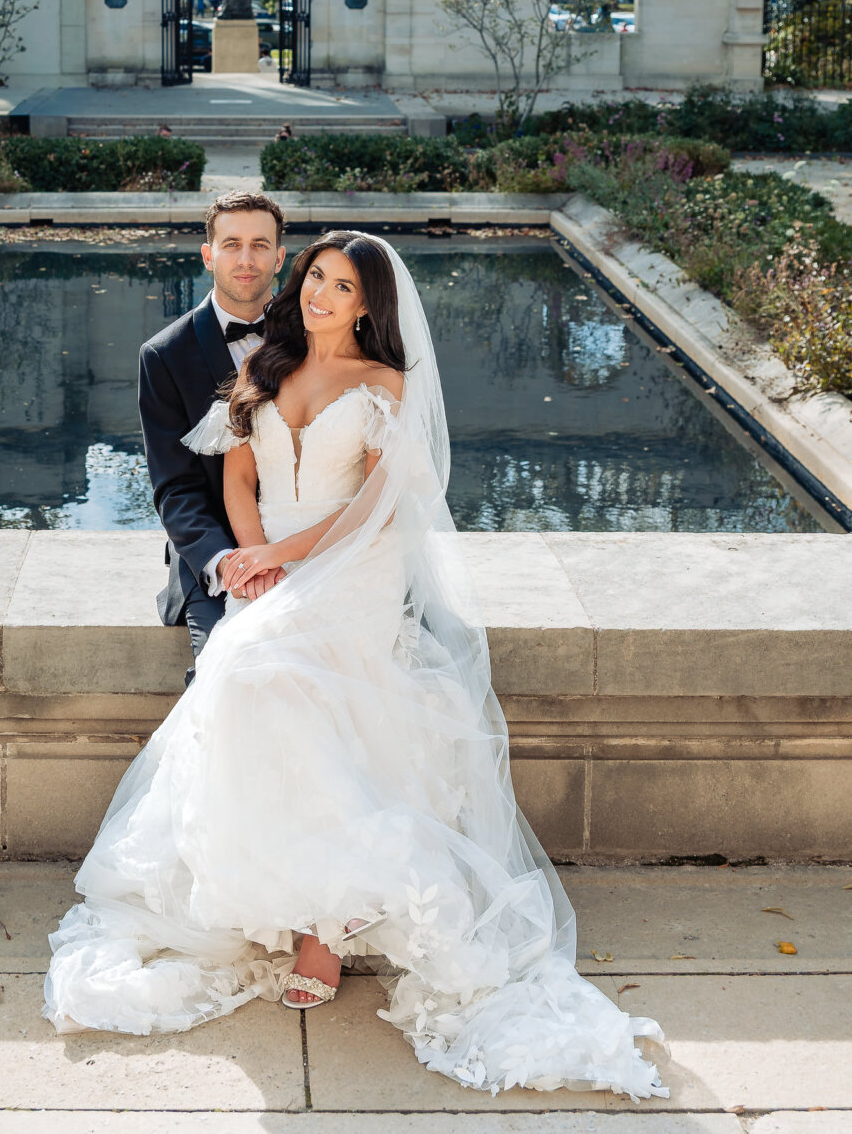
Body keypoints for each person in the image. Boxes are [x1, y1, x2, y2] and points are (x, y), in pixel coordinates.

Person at [44, 231, 667, 1099]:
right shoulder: (262, 366)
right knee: (247, 678)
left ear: (370, 304)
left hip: (350, 569)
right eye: (313, 279)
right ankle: (317, 903)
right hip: (277, 567)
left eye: (339, 286)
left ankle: (328, 925)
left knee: (258, 678)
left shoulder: (385, 388)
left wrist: (285, 562)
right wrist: (249, 561)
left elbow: (375, 512)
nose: (317, 294)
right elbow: (234, 482)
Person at [137, 192, 288, 684]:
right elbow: (175, 488)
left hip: (312, 538)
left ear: (280, 256)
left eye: (260, 245)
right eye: (232, 244)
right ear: (208, 254)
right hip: (221, 555)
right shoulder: (164, 356)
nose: (246, 260)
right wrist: (228, 565)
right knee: (224, 680)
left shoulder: (316, 334)